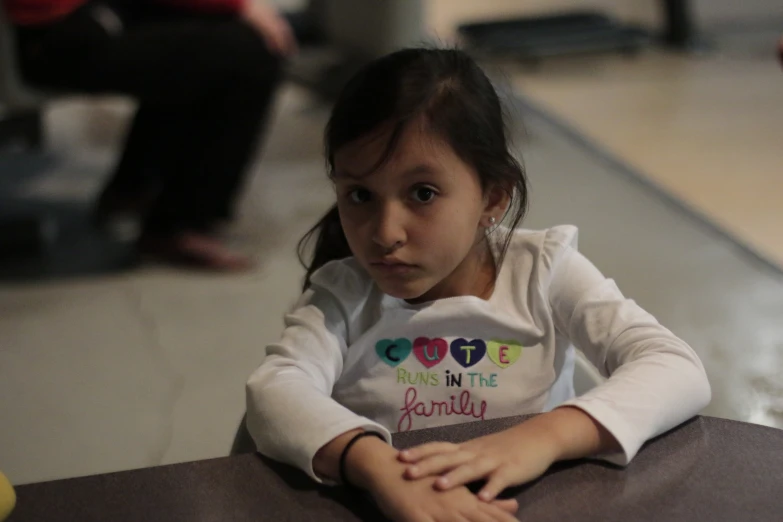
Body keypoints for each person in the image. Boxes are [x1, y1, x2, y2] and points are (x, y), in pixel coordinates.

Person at [245, 48, 711, 522]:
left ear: (492, 196)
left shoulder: (542, 272)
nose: (385, 232)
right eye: (360, 195)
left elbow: (674, 367)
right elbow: (276, 391)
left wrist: (541, 438)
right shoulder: (345, 294)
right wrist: (379, 468)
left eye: (422, 193)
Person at [4, 0, 297, 270]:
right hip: (55, 32)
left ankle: (135, 187)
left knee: (199, 38)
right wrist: (238, 5)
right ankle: (181, 223)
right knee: (252, 53)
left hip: (74, 15)